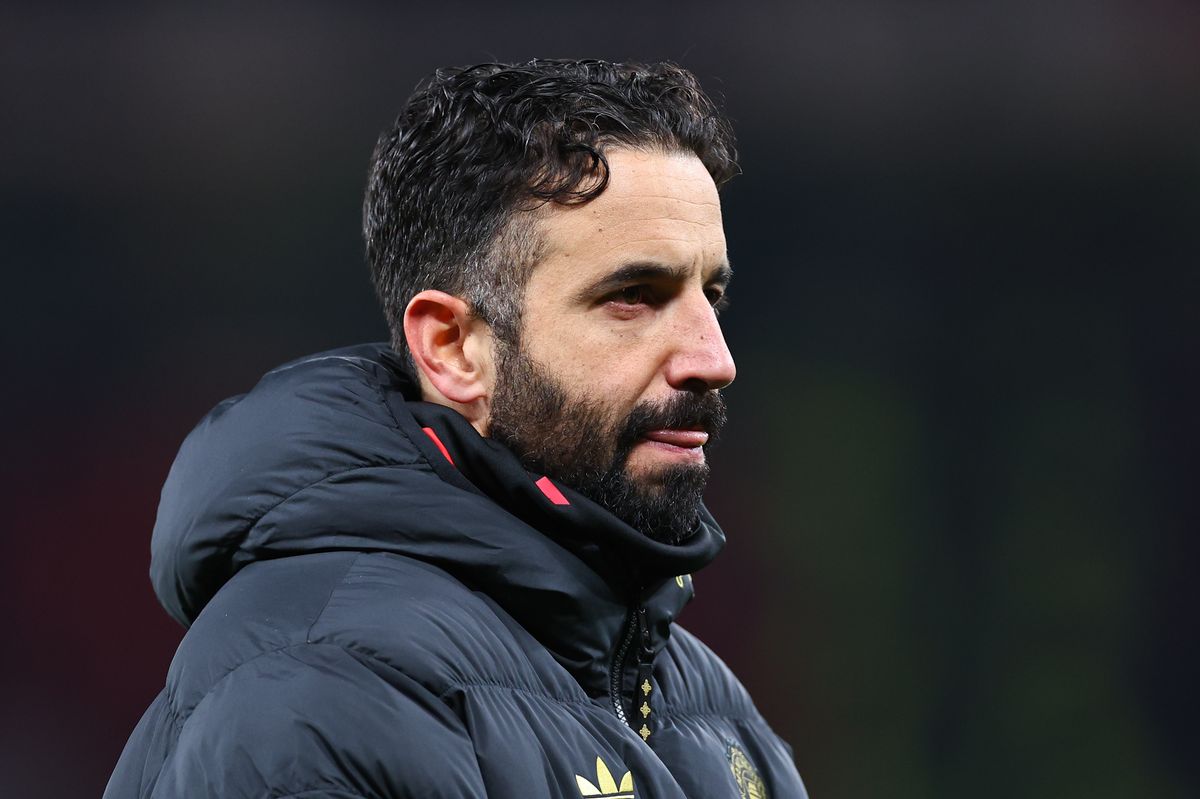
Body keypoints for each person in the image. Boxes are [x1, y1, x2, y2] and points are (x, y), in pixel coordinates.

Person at [106, 59, 807, 798]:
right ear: (452, 348)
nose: (714, 360)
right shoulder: (321, 693)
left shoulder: (715, 713)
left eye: (712, 295)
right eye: (634, 296)